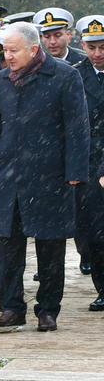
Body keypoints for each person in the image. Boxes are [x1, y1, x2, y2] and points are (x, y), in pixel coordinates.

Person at [0, 21, 89, 331]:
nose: (9, 56)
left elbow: (77, 127)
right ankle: (12, 306)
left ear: (33, 49)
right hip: (8, 175)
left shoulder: (64, 76)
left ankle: (48, 309)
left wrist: (75, 172)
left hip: (50, 174)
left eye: (14, 51)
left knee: (51, 246)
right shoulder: (0, 80)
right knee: (7, 245)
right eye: (5, 50)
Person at [73, 16, 104, 311]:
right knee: (94, 231)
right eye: (92, 46)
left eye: (103, 46)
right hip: (89, 165)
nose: (98, 53)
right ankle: (103, 286)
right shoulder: (74, 76)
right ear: (82, 45)